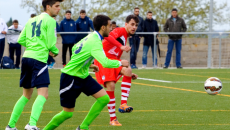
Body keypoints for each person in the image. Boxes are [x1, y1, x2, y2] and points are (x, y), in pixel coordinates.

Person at [43, 15, 129, 130]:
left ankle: (83, 126)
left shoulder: (91, 36)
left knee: (104, 98)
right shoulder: (96, 41)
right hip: (70, 77)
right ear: (103, 27)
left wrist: (89, 64)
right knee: (67, 113)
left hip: (83, 76)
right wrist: (120, 63)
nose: (111, 29)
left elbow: (75, 49)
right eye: (109, 26)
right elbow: (105, 62)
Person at [5, 0, 62, 130]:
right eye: (57, 6)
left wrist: (33, 46)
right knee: (43, 94)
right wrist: (55, 52)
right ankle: (31, 124)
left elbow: (20, 39)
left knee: (26, 95)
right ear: (48, 7)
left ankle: (10, 126)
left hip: (26, 58)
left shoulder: (31, 20)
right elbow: (51, 45)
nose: (59, 9)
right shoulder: (51, 21)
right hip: (39, 60)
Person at [94, 15, 139, 126]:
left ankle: (123, 104)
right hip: (104, 59)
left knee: (128, 70)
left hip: (113, 60)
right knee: (111, 86)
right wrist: (121, 46)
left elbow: (115, 53)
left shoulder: (126, 36)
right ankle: (113, 119)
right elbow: (107, 36)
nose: (134, 27)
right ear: (126, 24)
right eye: (132, 24)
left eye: (136, 25)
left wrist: (126, 74)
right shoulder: (120, 30)